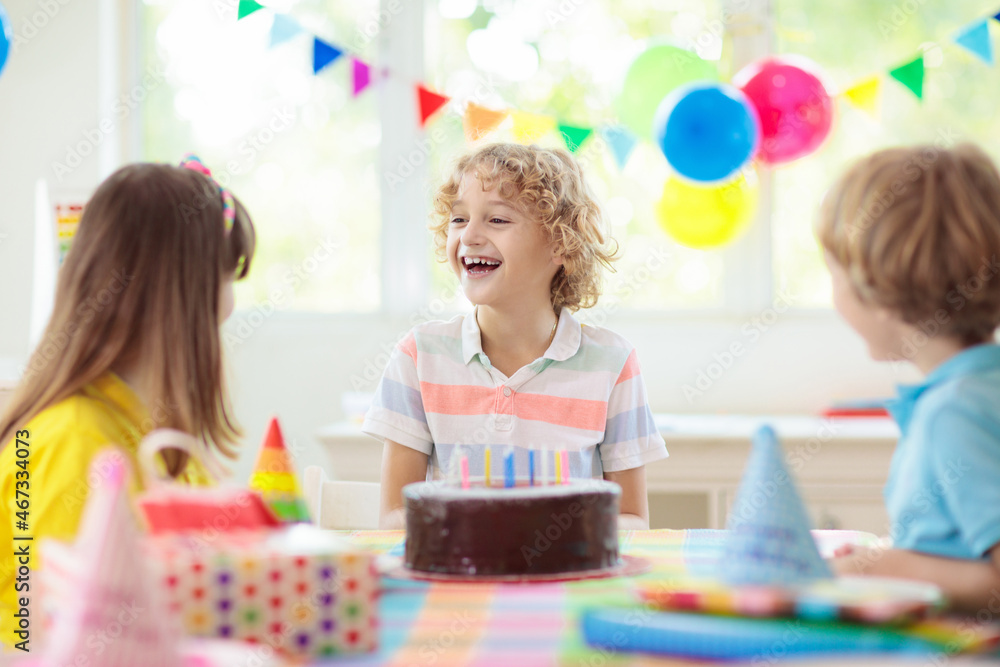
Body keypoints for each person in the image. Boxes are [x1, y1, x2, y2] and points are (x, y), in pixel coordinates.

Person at [0, 157, 255, 647]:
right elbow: (68, 637)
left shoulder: (145, 431)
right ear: (180, 293)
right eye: (227, 278)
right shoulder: (75, 440)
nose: (230, 305)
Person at [364, 143, 668, 530]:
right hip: (462, 580)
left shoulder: (613, 362)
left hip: (566, 582)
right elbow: (394, 516)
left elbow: (631, 518)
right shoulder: (419, 355)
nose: (470, 235)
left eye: (497, 221)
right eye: (459, 219)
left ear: (561, 243)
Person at [818, 144, 1000, 613]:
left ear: (879, 289)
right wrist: (887, 555)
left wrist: (887, 569)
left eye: (835, 274)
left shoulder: (954, 412)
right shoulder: (977, 390)